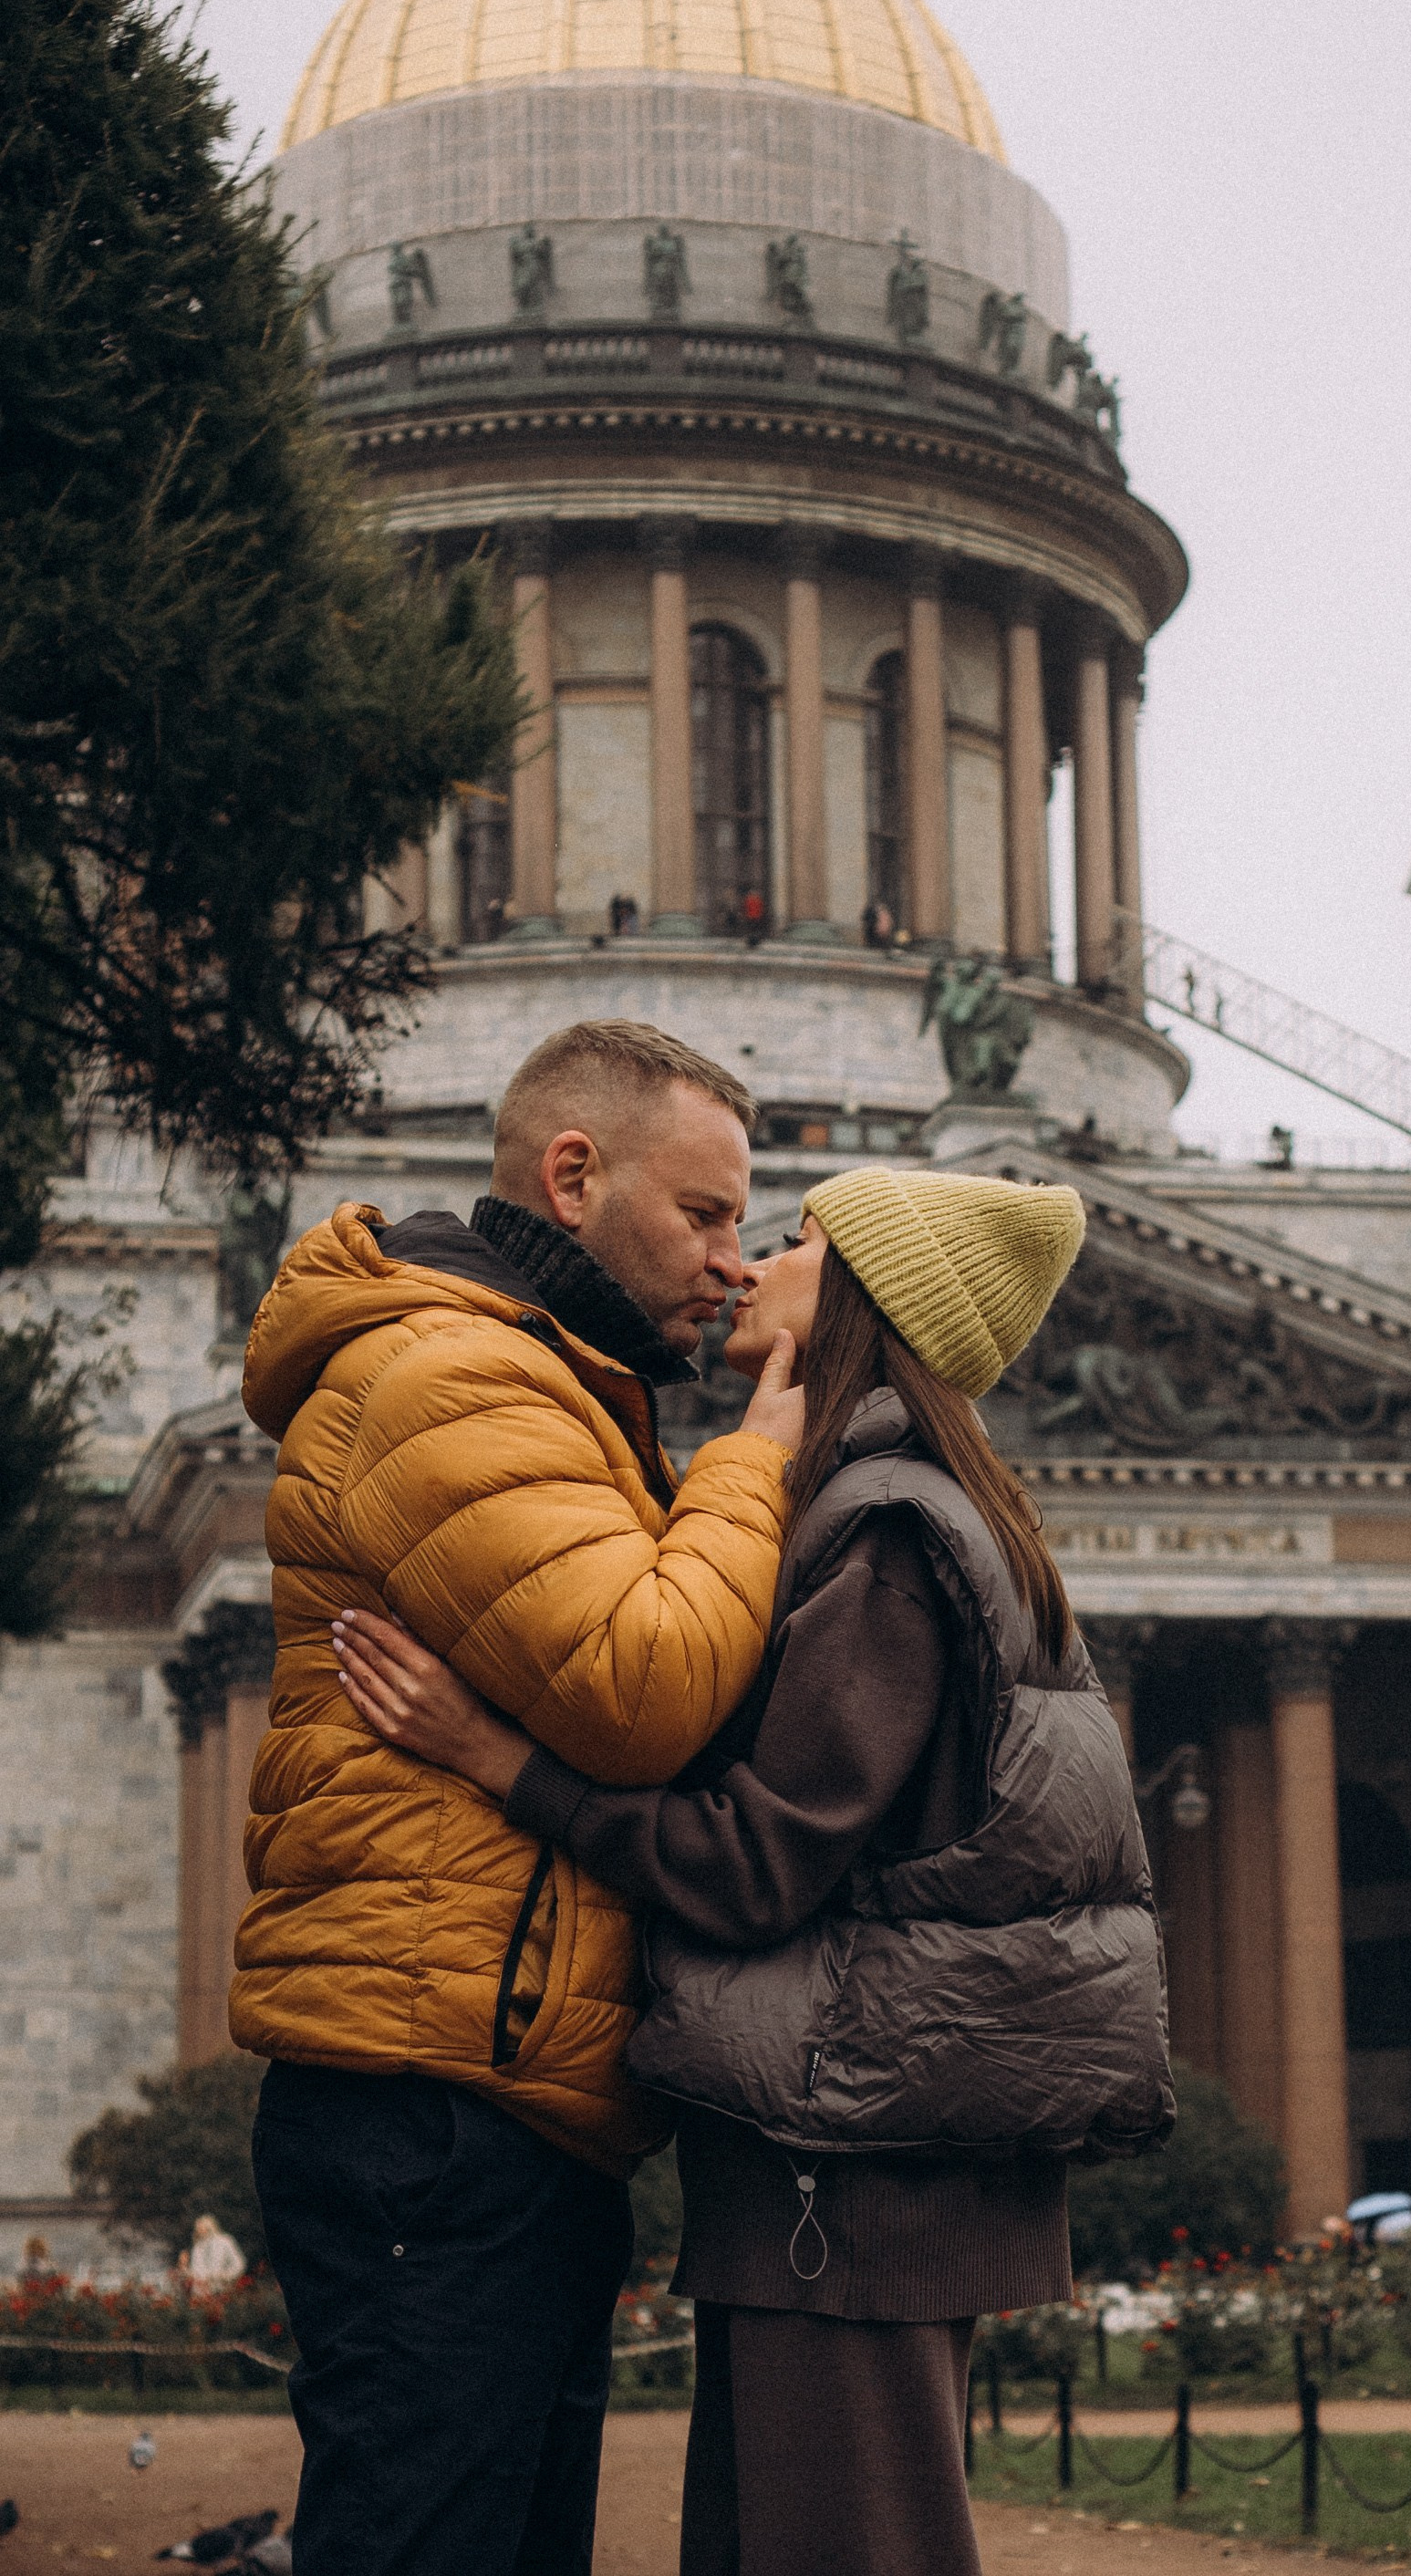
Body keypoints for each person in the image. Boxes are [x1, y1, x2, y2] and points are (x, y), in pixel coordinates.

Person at [334, 1167, 1176, 2576]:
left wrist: (502, 1760)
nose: (747, 1265)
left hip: (843, 2183)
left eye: (792, 1239)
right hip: (833, 2165)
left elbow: (756, 1862)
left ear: (858, 1297)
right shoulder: (889, 1506)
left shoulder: (886, 1532)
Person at [232, 1019, 805, 2576]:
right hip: (438, 2103)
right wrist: (762, 1446)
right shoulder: (457, 1370)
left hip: (492, 2094)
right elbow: (643, 1684)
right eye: (705, 1215)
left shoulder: (547, 1382)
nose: (735, 1267)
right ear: (573, 1173)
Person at [181, 2215, 247, 2290]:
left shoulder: (225, 2241)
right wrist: (184, 2267)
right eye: (197, 2228)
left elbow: (239, 2264)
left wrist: (224, 2276)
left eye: (200, 2227)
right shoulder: (197, 2248)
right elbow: (196, 2274)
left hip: (223, 2290)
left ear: (208, 2227)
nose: (197, 2231)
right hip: (202, 2295)